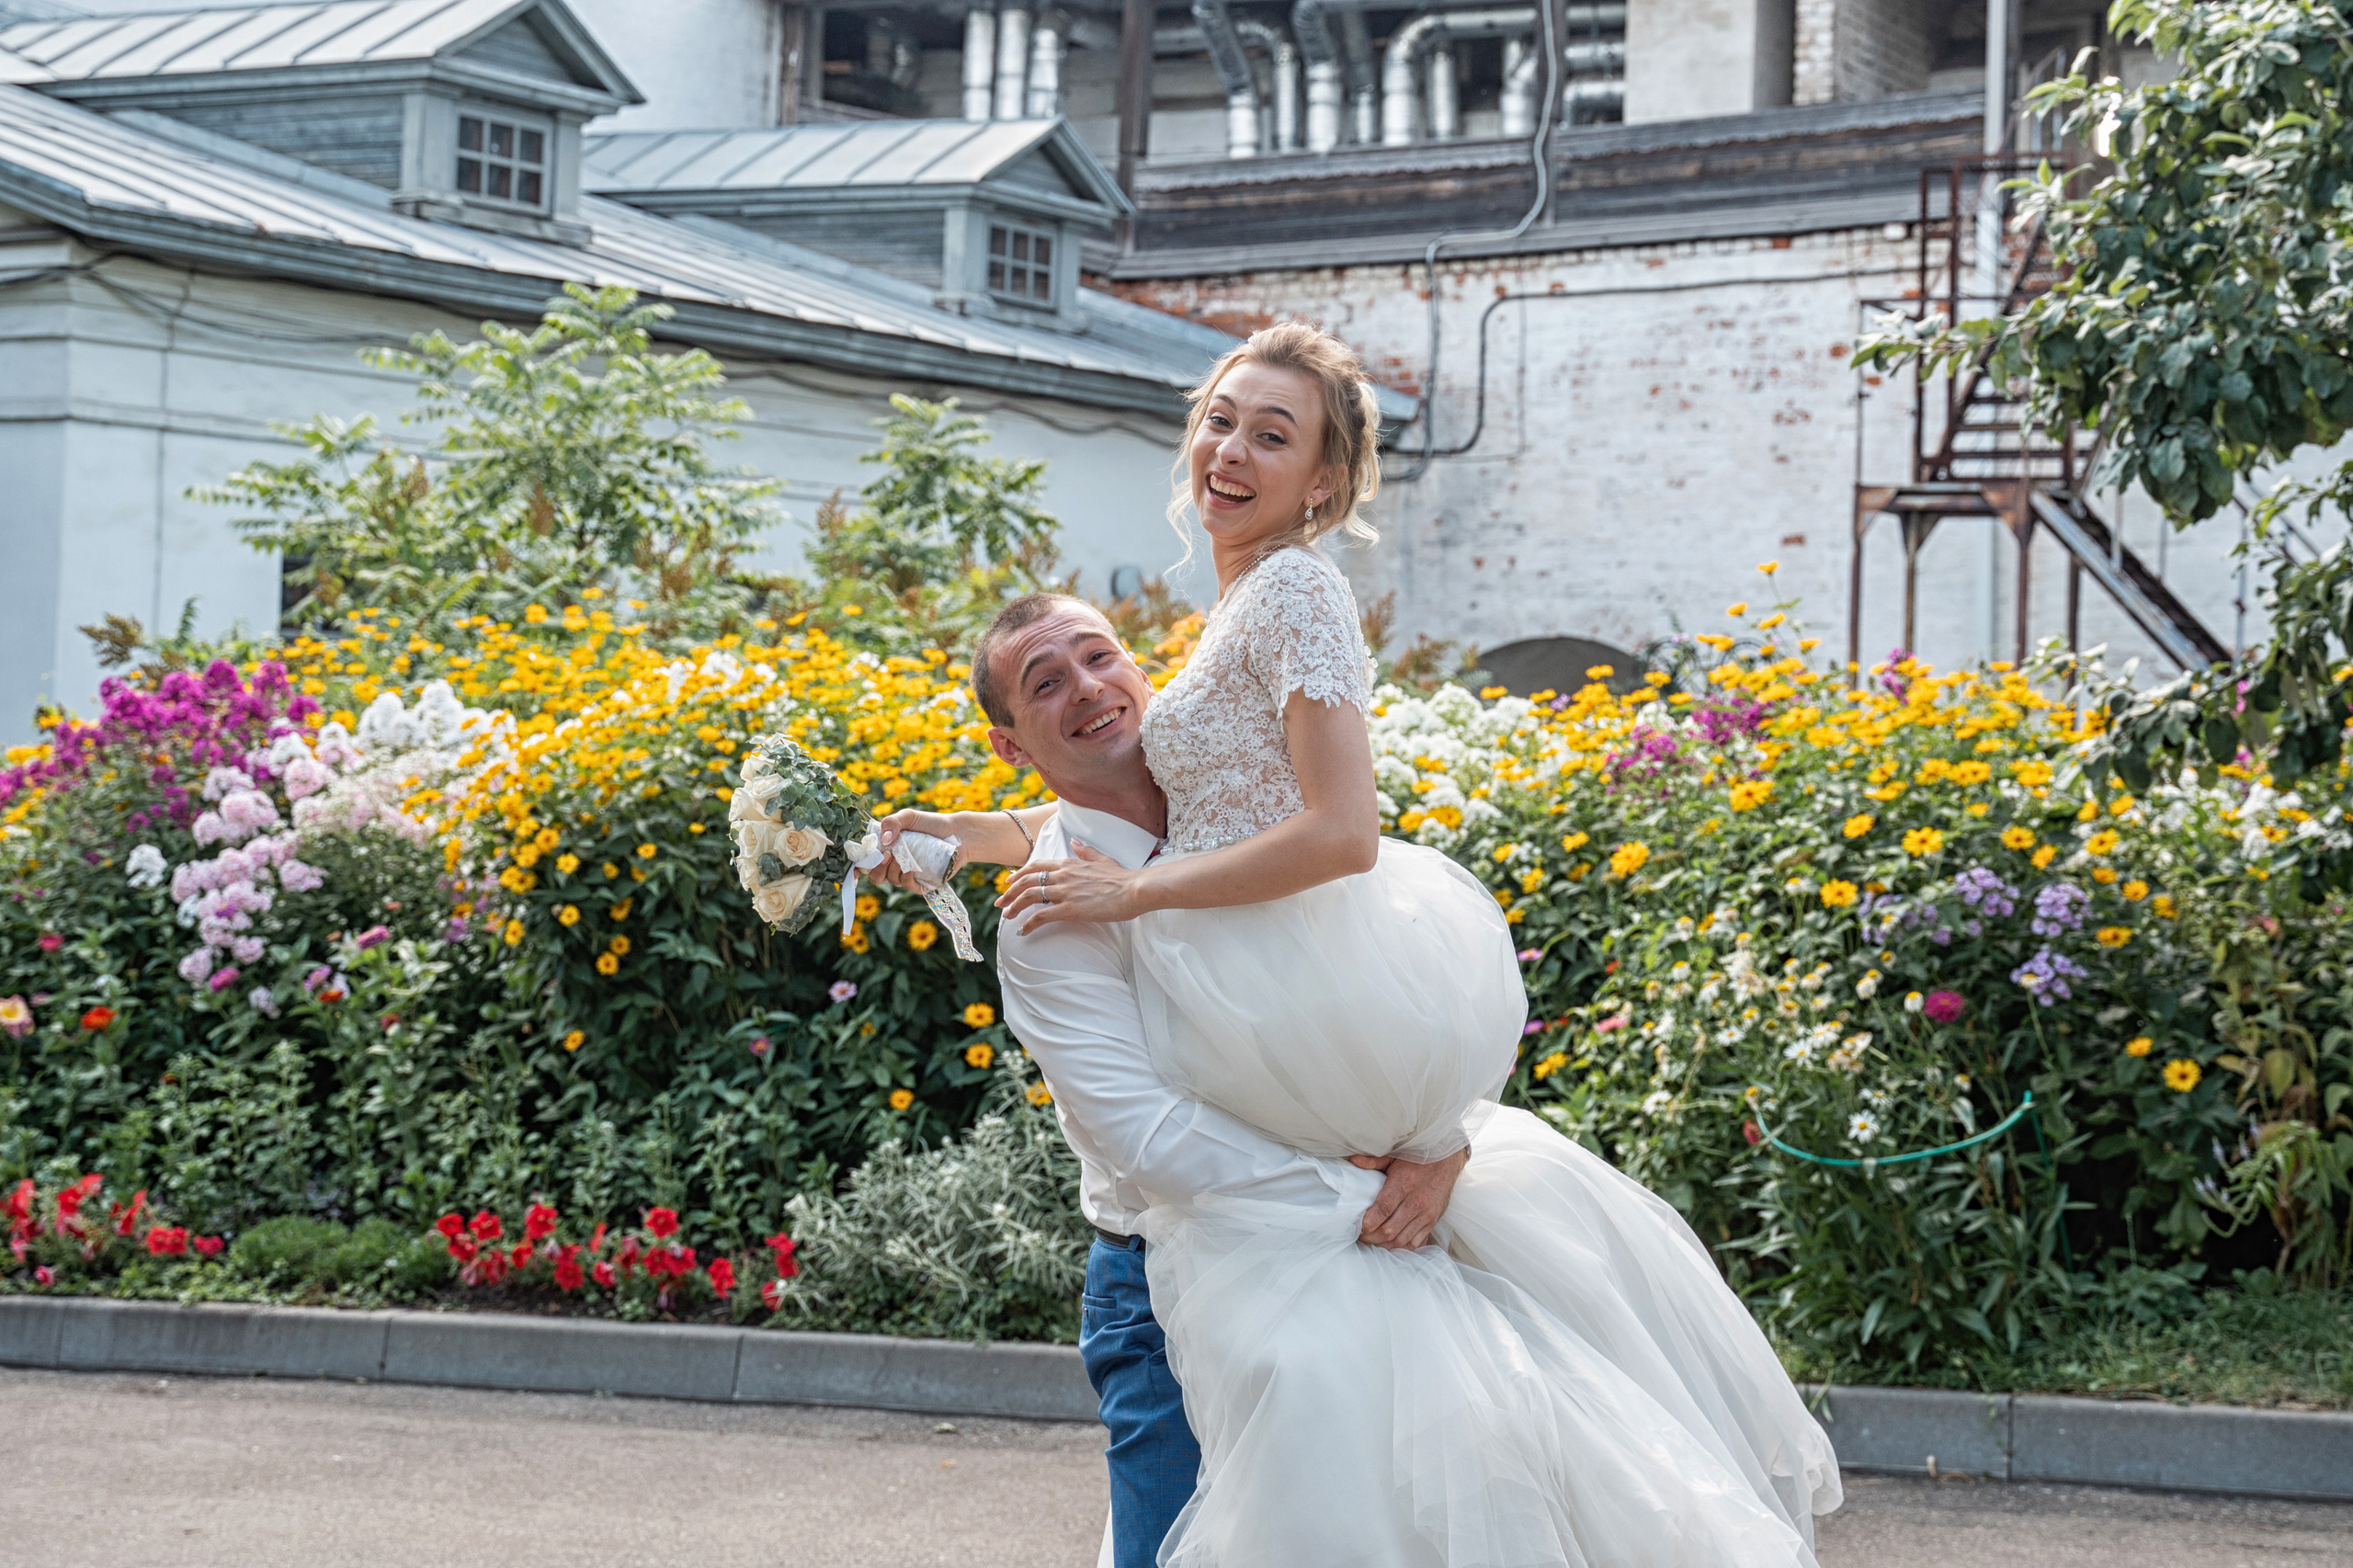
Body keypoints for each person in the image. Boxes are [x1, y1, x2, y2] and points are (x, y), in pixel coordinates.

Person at [881, 322, 1842, 1566]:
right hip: (1254, 1058)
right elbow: (1160, 794)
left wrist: (1135, 903)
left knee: (1370, 1484)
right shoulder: (1225, 610)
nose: (1231, 448)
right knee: (1397, 1470)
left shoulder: (1291, 586)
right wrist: (972, 832)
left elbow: (1340, 833)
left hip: (1289, 993)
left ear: (1323, 482)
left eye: (1273, 435)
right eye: (1221, 418)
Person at [881, 587, 1473, 1568]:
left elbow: (1386, 988)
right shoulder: (1046, 918)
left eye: (1098, 655)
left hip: (1357, 1246)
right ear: (1011, 744)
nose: (1087, 686)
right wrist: (1362, 1190)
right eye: (1045, 682)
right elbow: (1148, 1139)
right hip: (1174, 1284)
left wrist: (1439, 1142)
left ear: (1142, 667)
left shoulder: (1246, 809)